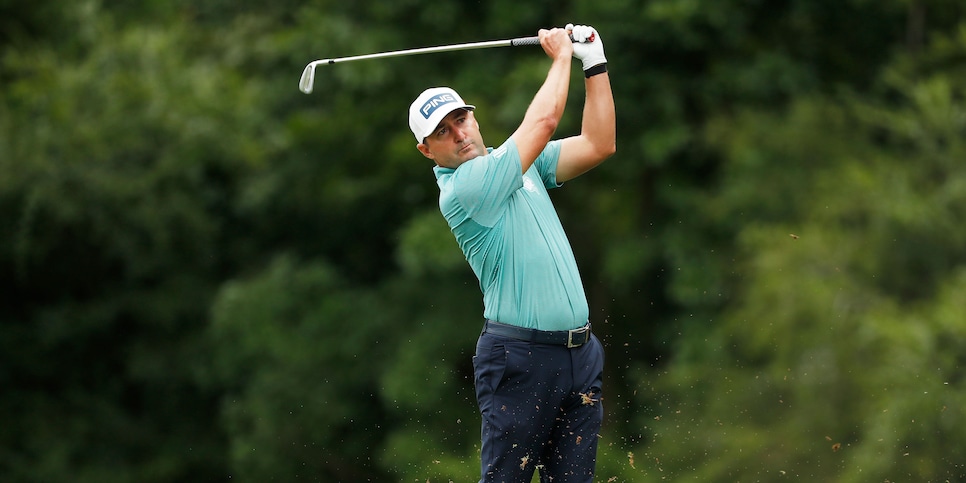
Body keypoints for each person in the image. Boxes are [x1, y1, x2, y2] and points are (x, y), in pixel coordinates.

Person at [407, 24, 615, 482]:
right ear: (427, 151)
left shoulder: (518, 165)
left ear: (473, 117)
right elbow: (542, 123)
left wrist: (594, 63)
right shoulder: (464, 189)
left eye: (460, 119)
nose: (458, 134)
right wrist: (562, 56)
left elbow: (599, 144)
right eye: (442, 132)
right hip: (520, 358)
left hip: (579, 356)